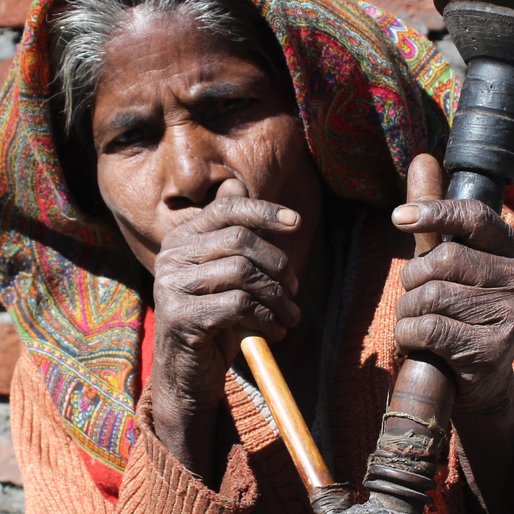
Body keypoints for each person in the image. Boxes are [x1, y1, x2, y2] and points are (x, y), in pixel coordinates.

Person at [0, 0, 512, 512]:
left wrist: (494, 404)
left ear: (312, 119)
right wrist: (180, 407)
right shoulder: (64, 380)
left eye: (228, 107)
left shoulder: (475, 278)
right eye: (132, 137)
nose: (190, 177)